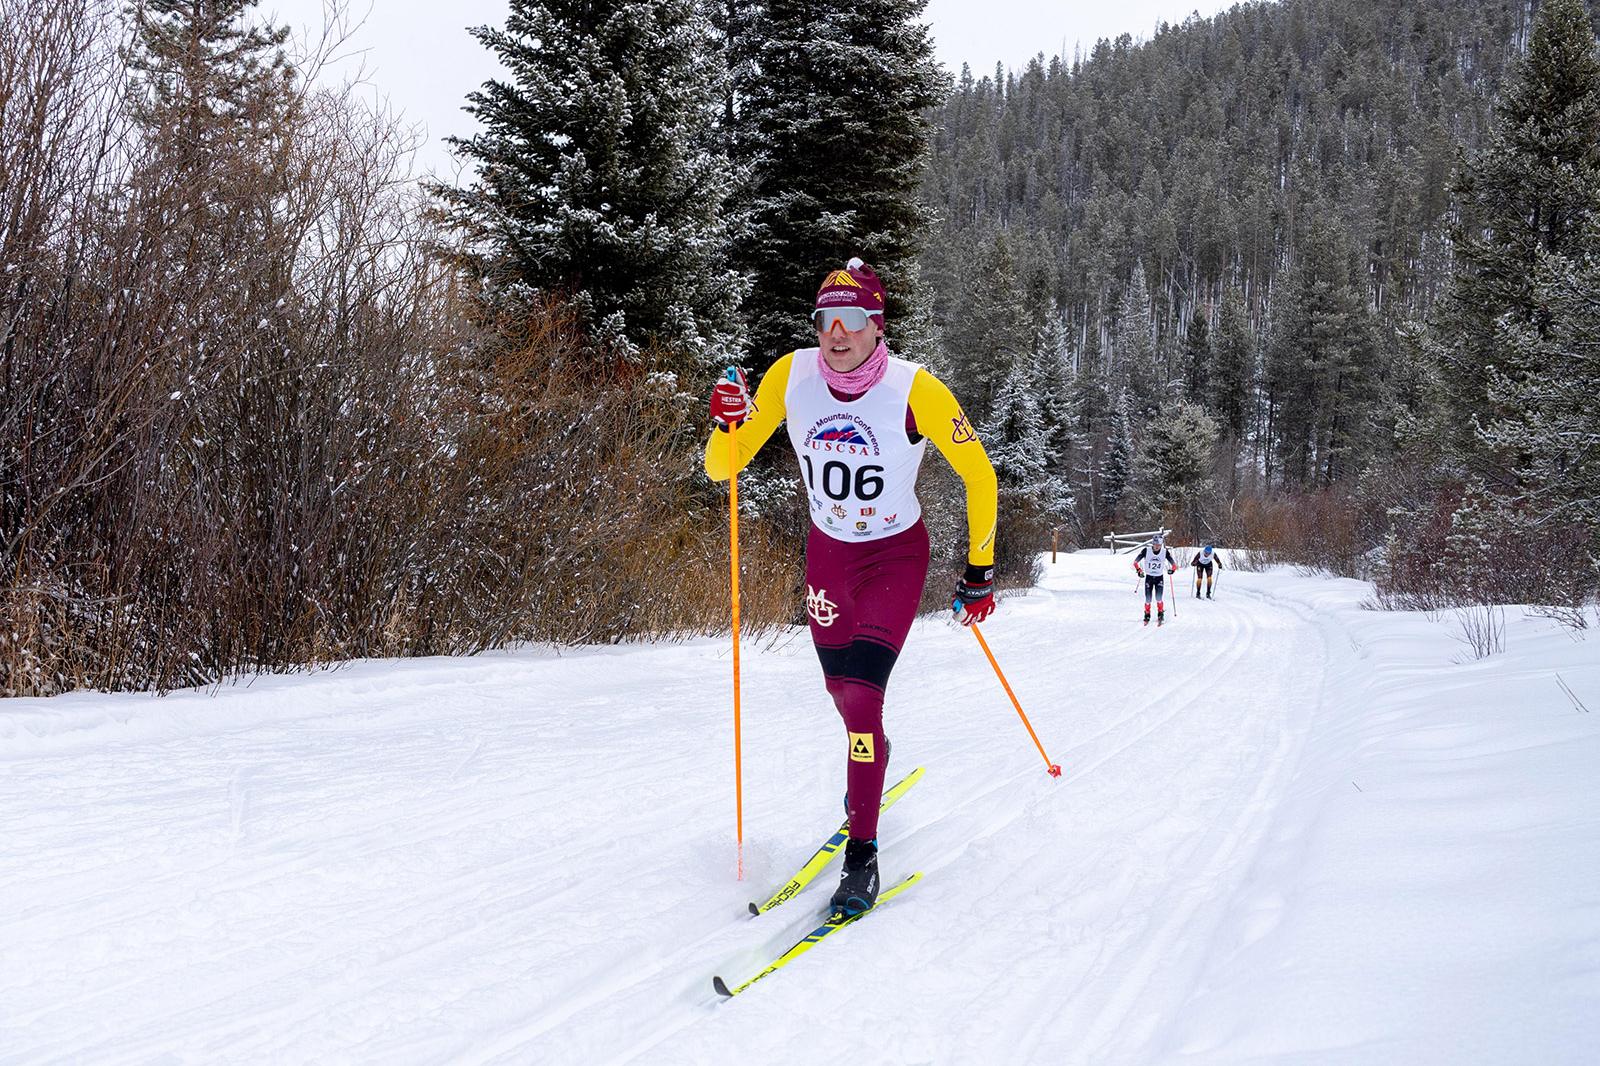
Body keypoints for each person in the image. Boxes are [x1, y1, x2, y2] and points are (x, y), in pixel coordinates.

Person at [704, 257, 998, 916]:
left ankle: (861, 856)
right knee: (841, 694)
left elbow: (980, 476)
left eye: (852, 321)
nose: (836, 334)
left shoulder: (915, 390)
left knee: (862, 699)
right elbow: (722, 469)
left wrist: (979, 569)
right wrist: (724, 421)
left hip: (894, 556)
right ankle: (874, 756)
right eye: (826, 321)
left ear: (876, 325)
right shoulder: (791, 376)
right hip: (829, 558)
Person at [1132, 533, 1180, 626]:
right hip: (1149, 577)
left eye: (1159, 545)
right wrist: (1139, 570)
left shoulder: (1165, 552)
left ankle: (1160, 613)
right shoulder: (1146, 550)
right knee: (1148, 599)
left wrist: (1172, 570)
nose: (1157, 546)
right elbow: (1135, 562)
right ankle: (1147, 614)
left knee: (1158, 598)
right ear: (1153, 544)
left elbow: (1174, 565)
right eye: (1155, 544)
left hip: (1159, 578)